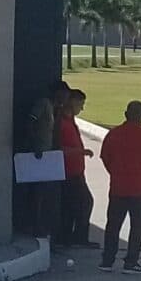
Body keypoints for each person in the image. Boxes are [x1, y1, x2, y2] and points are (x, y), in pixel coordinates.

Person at [97, 99, 141, 272]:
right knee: (137, 227)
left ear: (125, 114)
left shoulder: (114, 134)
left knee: (113, 225)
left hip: (118, 187)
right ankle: (131, 261)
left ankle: (107, 260)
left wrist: (115, 173)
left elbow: (105, 157)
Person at [20, 77, 69, 247]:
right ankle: (34, 224)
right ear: (57, 93)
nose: (65, 98)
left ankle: (40, 223)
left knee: (43, 191)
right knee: (36, 192)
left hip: (47, 155)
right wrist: (33, 144)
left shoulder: (56, 110)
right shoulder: (43, 104)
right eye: (63, 94)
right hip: (37, 153)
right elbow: (30, 121)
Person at [56, 87, 92, 246]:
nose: (81, 108)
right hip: (67, 172)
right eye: (80, 104)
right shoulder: (61, 123)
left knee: (76, 204)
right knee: (83, 202)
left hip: (77, 171)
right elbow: (58, 148)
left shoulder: (70, 121)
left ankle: (72, 237)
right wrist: (79, 151)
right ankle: (74, 237)